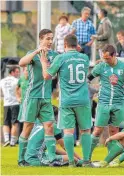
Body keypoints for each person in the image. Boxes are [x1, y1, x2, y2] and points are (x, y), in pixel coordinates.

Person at [41, 34, 93, 167]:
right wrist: (78, 49)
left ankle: (71, 161)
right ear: (77, 45)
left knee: (68, 132)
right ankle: (86, 161)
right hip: (83, 99)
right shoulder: (84, 58)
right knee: (86, 130)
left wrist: (43, 62)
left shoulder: (60, 58)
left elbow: (47, 76)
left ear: (64, 45)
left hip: (66, 100)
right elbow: (78, 55)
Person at [87, 44, 124, 160]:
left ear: (114, 55)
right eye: (104, 58)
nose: (105, 60)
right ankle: (86, 158)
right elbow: (87, 79)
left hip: (118, 104)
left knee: (114, 132)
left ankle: (109, 159)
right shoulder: (101, 66)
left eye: (107, 58)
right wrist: (92, 89)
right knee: (97, 130)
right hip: (103, 103)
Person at [18, 29, 58, 166]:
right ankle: (21, 159)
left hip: (46, 98)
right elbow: (21, 63)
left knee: (49, 126)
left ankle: (52, 159)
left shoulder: (54, 55)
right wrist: (37, 52)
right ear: (40, 39)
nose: (50, 41)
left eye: (51, 38)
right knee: (27, 127)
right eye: (47, 38)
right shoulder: (32, 54)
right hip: (32, 97)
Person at [0, 66, 20, 147]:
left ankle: (6, 140)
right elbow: (19, 91)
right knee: (14, 123)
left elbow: (1, 92)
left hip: (6, 104)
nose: (18, 73)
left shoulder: (2, 81)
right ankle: (12, 142)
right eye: (17, 72)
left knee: (5, 123)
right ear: (12, 72)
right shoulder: (17, 81)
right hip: (15, 103)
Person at [15, 67, 29, 135]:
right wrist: (18, 97)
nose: (28, 72)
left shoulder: (33, 79)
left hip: (32, 102)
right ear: (23, 71)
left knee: (30, 120)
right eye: (26, 70)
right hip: (23, 103)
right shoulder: (21, 79)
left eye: (29, 70)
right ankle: (22, 137)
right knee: (23, 120)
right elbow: (16, 89)